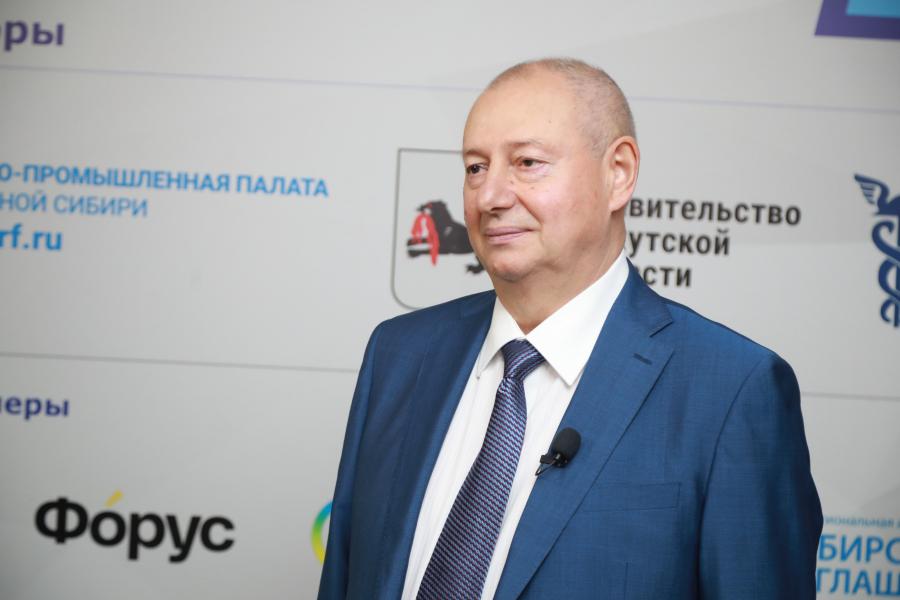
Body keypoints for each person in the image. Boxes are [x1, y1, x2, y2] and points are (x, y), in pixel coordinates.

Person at [318, 58, 822, 600]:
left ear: (618, 174)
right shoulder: (399, 355)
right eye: (475, 168)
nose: (490, 197)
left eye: (527, 162)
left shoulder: (731, 390)